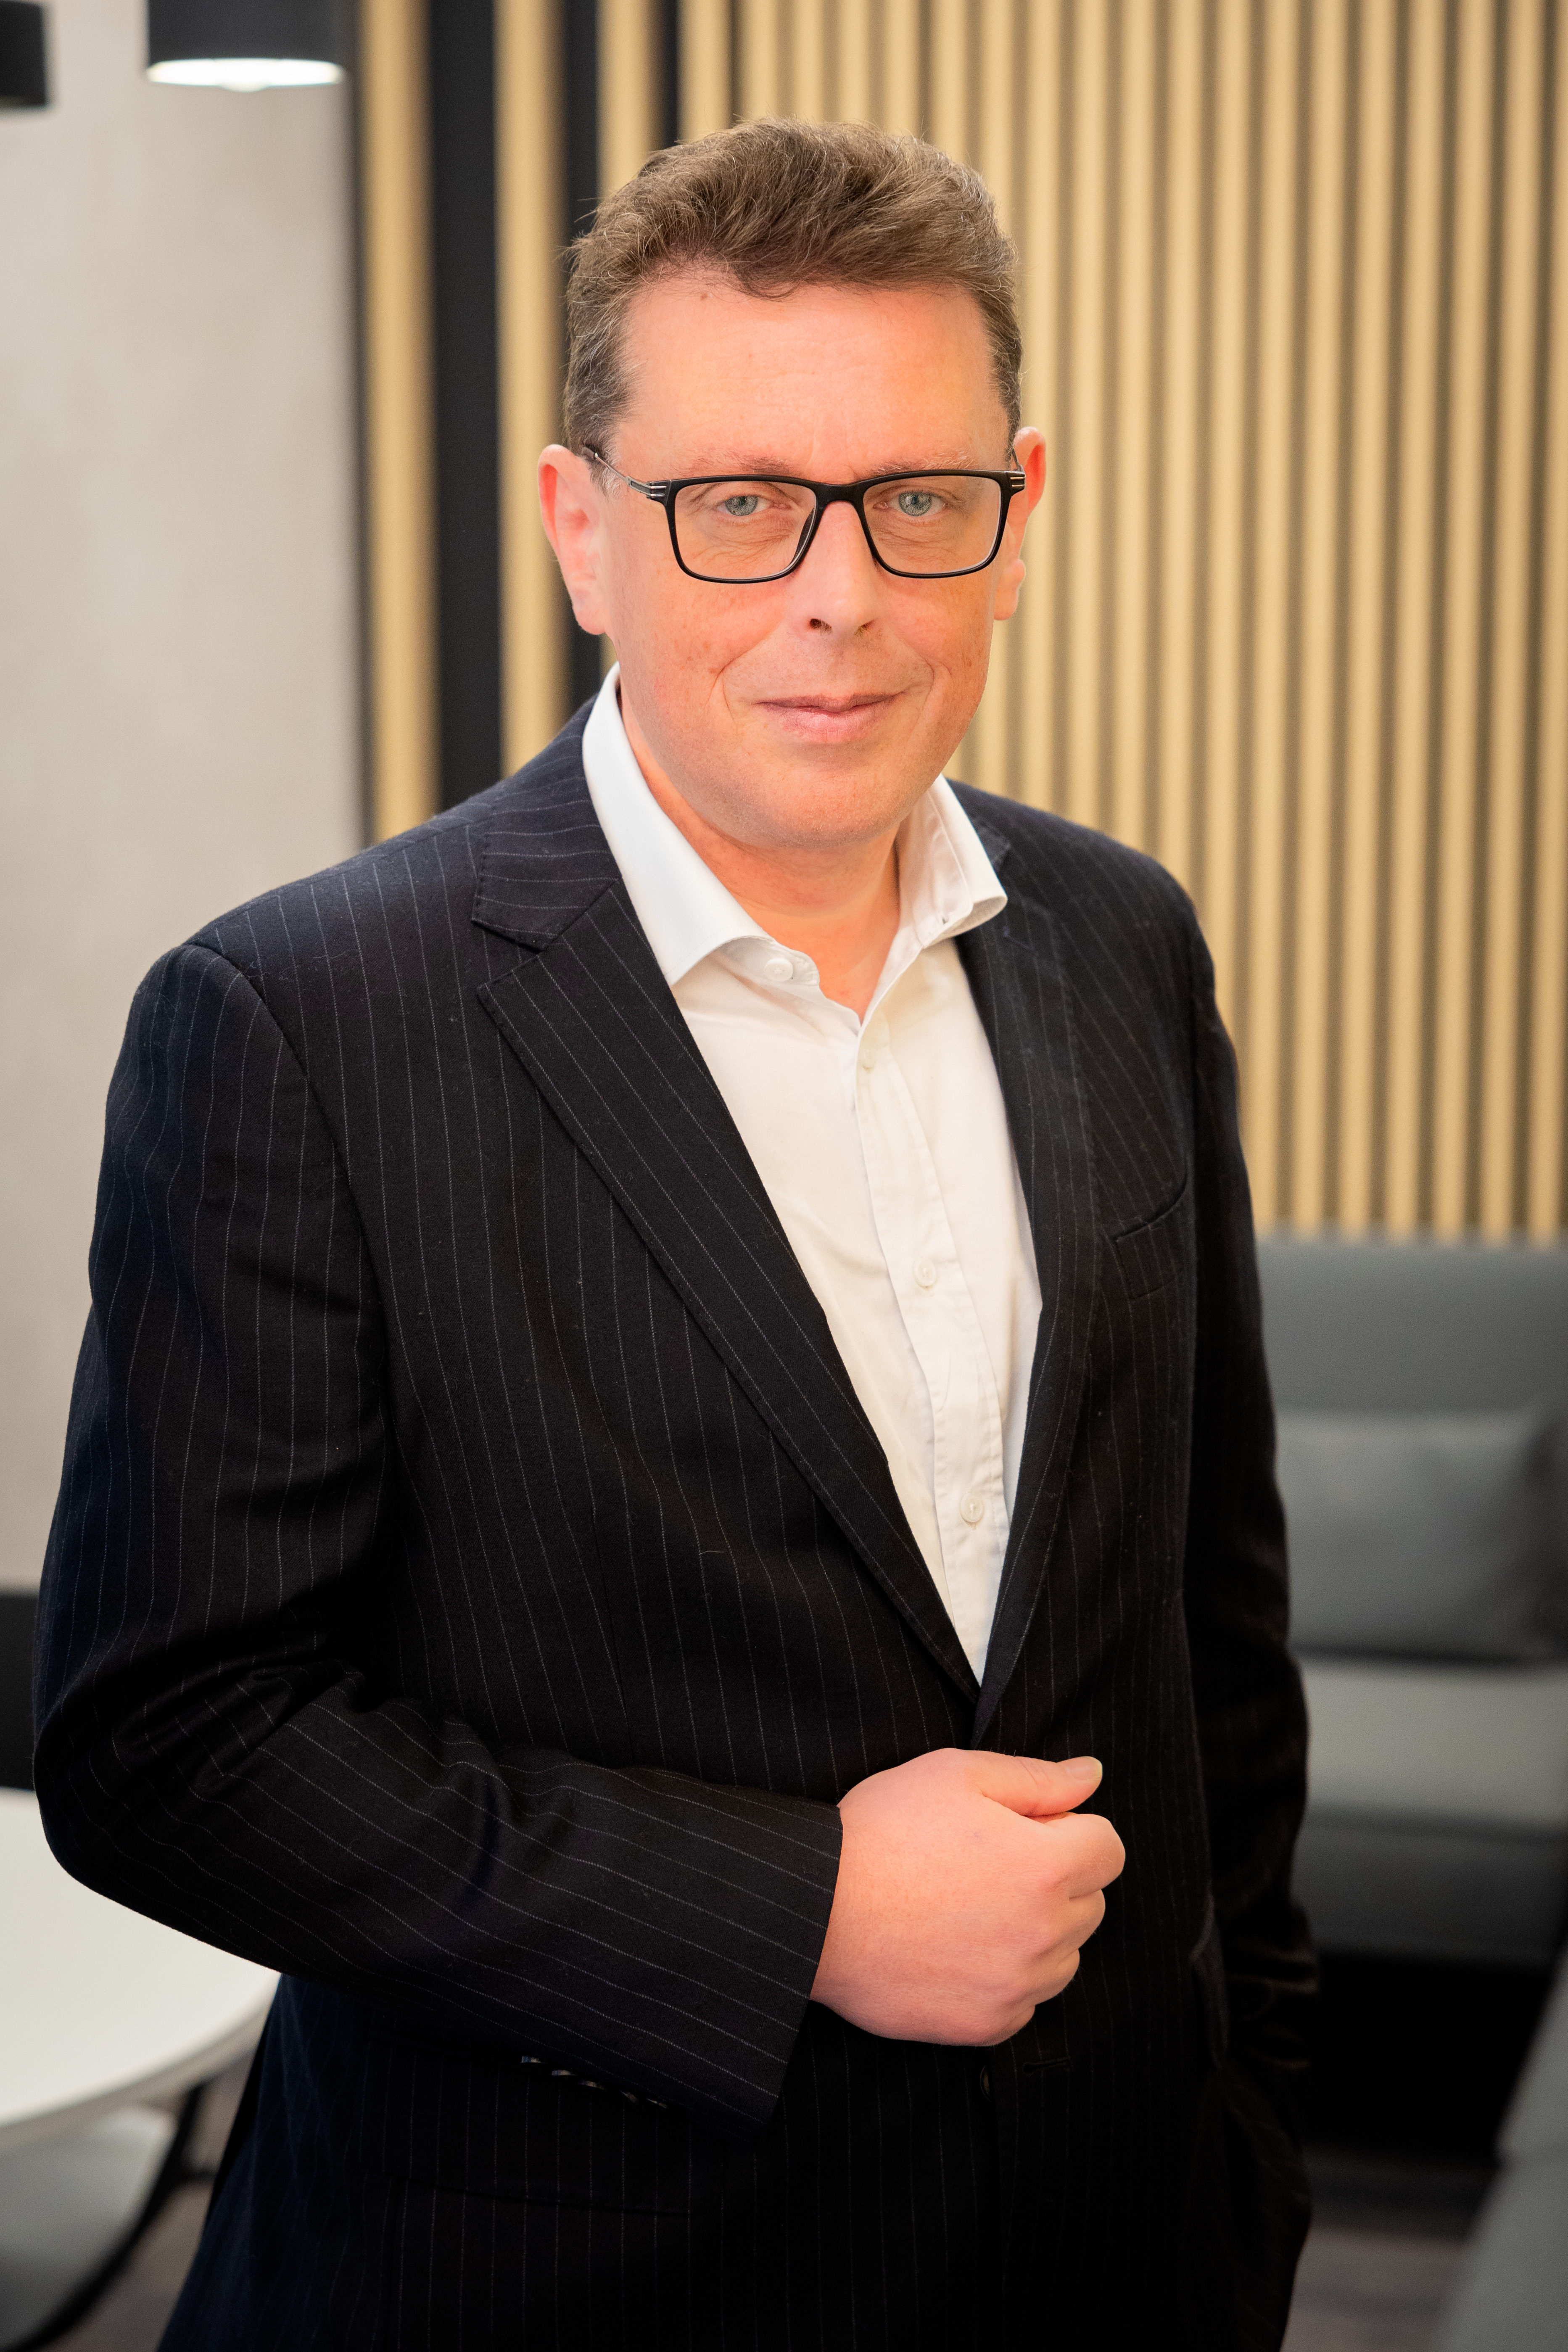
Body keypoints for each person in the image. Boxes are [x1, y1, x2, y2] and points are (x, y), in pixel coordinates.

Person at [34, 119, 1313, 2351]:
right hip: (561, 2282)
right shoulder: (302, 1021)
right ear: (582, 531)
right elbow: (173, 1744)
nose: (840, 594)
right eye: (737, 505)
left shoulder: (1122, 941)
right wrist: (796, 1909)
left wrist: (1249, 2140)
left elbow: (1212, 1632)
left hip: (1114, 2255)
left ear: (1015, 514)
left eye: (916, 500)